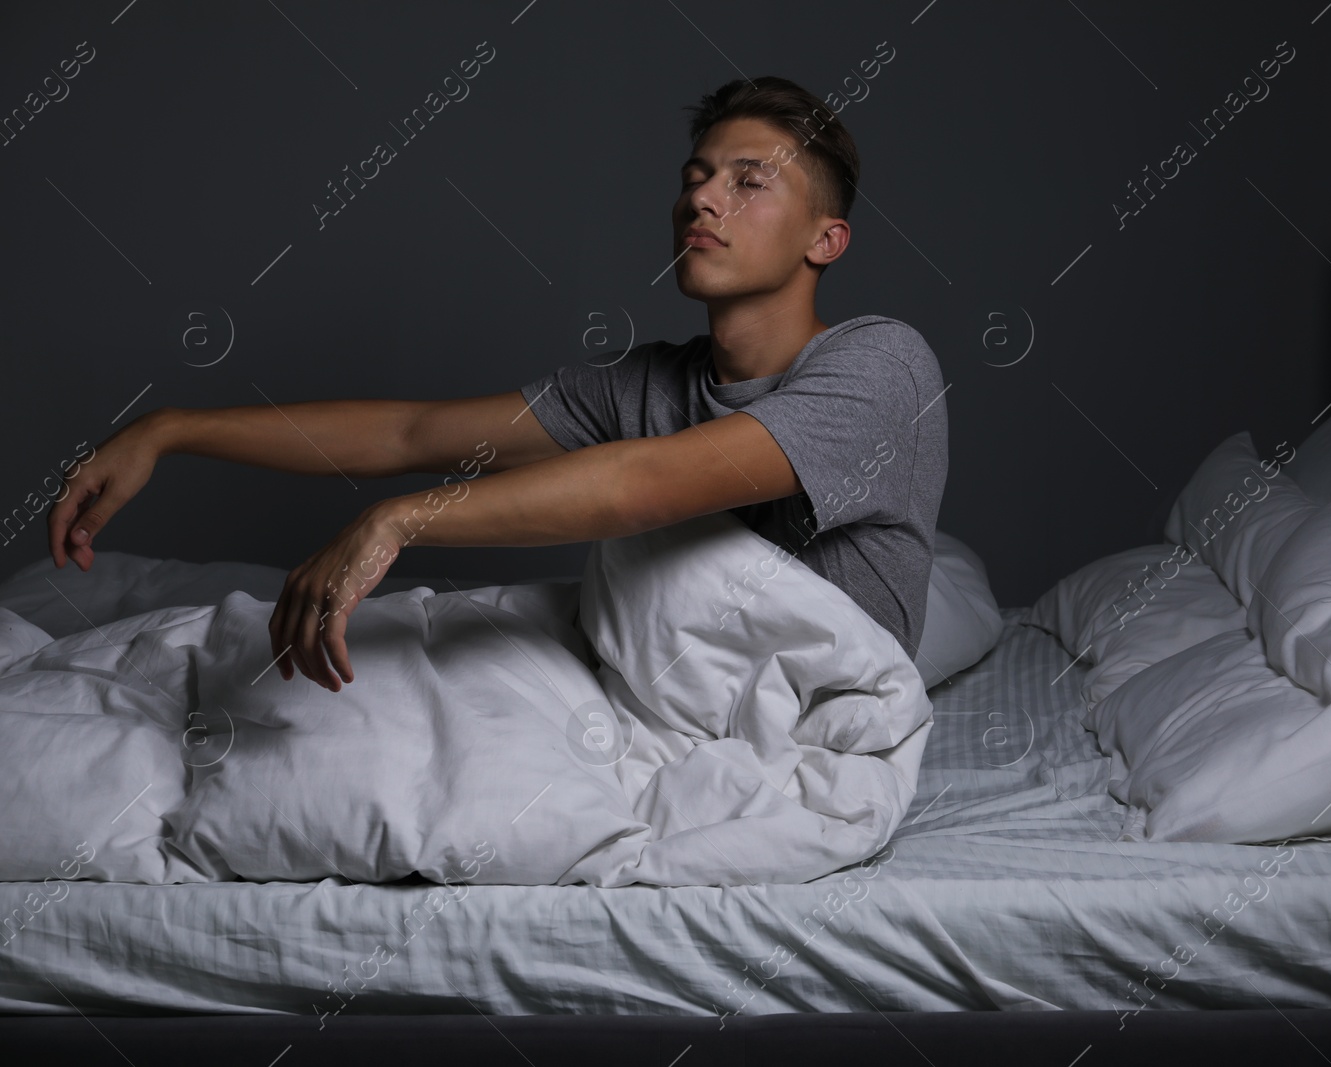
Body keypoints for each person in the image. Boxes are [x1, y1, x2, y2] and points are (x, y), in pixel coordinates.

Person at [45, 76, 948, 694]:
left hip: (809, 710)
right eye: (697, 178)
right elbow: (412, 433)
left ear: (825, 240)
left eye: (750, 182)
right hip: (671, 682)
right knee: (227, 663)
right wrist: (167, 429)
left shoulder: (882, 365)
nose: (703, 200)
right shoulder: (649, 382)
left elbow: (641, 486)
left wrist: (394, 518)